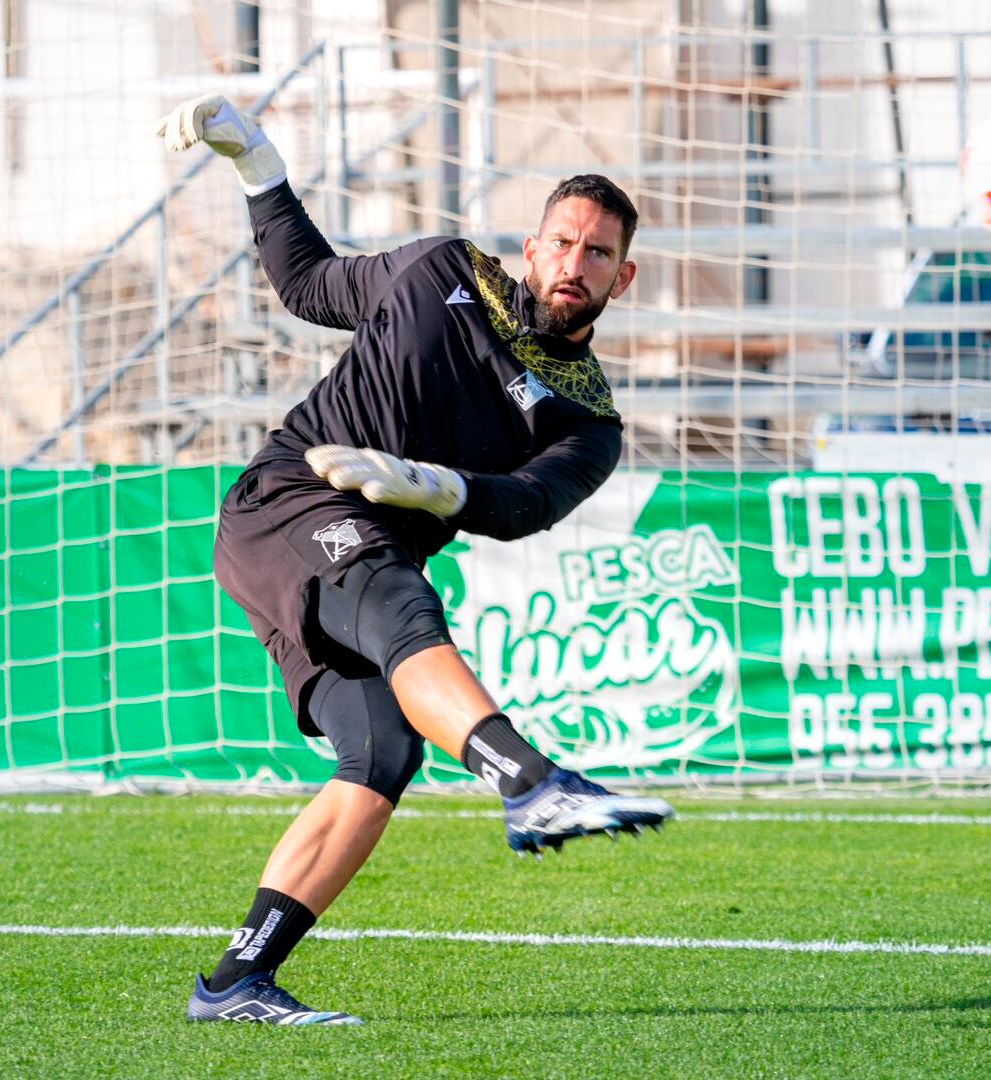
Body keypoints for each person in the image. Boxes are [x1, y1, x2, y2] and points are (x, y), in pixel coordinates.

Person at [156, 93, 673, 1027]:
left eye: (597, 253)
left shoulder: (589, 421)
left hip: (373, 541)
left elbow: (528, 506)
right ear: (531, 247)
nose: (574, 263)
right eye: (561, 242)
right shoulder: (442, 268)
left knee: (384, 750)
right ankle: (530, 784)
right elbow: (310, 284)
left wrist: (432, 486)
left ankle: (235, 981)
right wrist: (258, 163)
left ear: (622, 279)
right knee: (401, 603)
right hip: (289, 500)